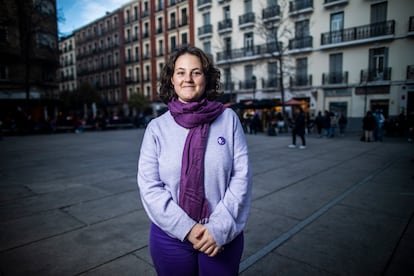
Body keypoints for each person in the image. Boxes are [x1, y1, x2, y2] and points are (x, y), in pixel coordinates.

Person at [137, 45, 252, 276]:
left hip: (221, 233)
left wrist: (217, 228)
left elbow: (241, 177)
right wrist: (188, 229)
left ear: (206, 78)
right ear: (171, 78)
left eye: (196, 72)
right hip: (170, 236)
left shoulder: (228, 119)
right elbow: (150, 187)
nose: (188, 79)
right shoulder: (156, 128)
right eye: (180, 72)